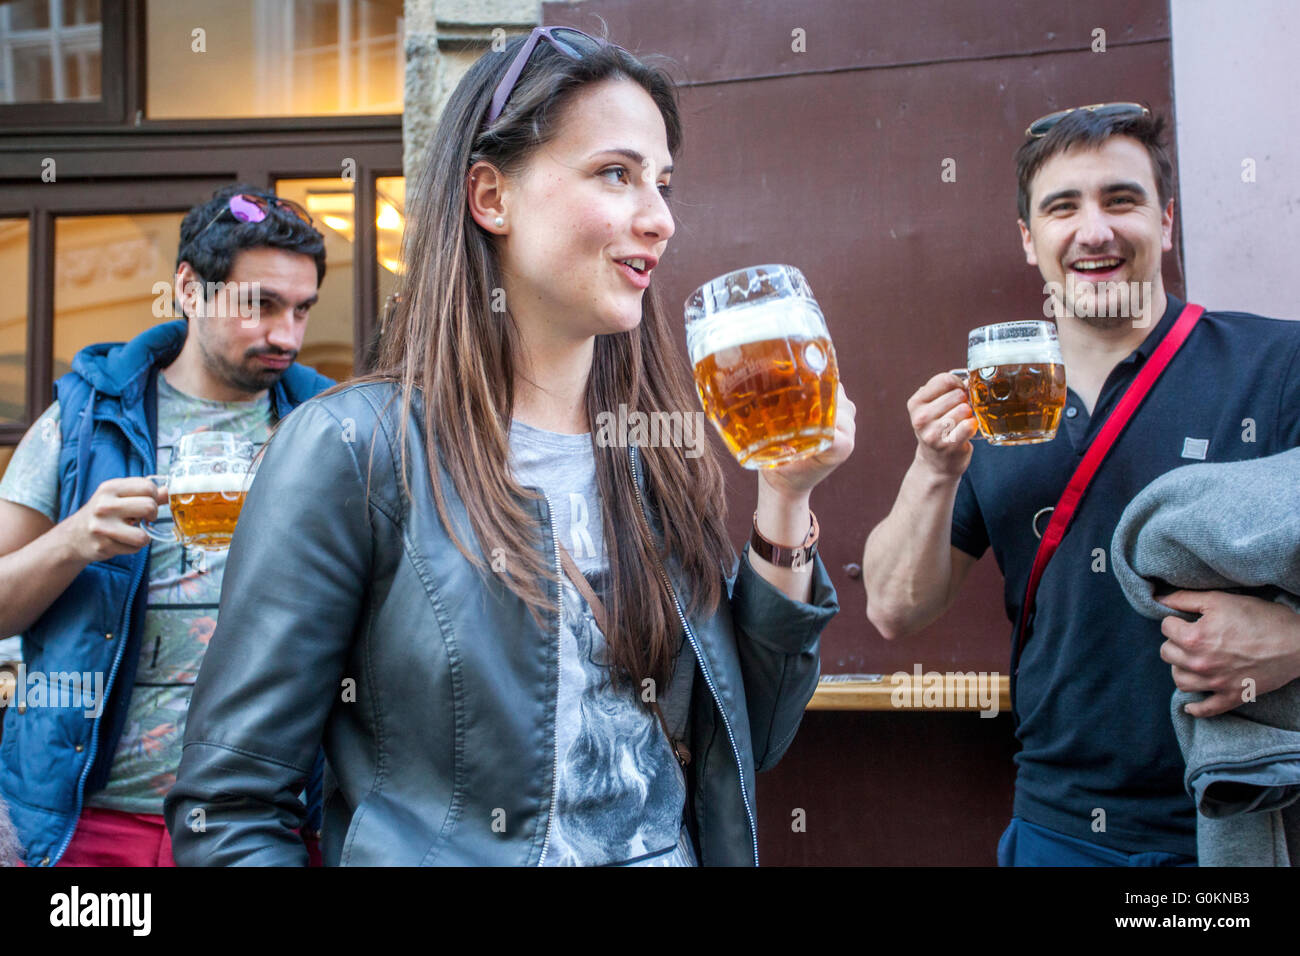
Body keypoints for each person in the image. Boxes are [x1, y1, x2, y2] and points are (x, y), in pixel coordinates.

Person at [164, 26, 852, 867]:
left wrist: (786, 499)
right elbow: (229, 809)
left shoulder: (654, 455)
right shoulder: (353, 450)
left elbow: (749, 740)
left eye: (664, 183)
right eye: (616, 173)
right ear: (491, 197)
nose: (661, 219)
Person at [862, 104, 1300, 866]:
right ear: (1031, 241)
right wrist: (934, 469)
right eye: (1063, 208)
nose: (1093, 231)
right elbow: (895, 609)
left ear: (1165, 223)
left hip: (1252, 811)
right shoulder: (993, 406)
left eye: (1120, 200)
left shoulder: (1276, 362)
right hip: (1058, 827)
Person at [0, 185, 335, 867]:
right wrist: (72, 541)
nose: (287, 336)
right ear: (188, 287)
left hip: (260, 828)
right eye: (261, 305)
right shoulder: (83, 421)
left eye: (303, 311)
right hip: (91, 822)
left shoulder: (332, 428)